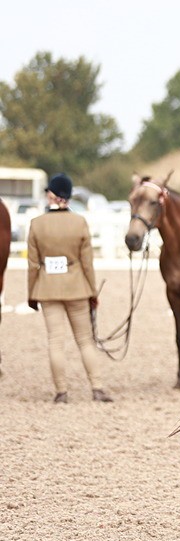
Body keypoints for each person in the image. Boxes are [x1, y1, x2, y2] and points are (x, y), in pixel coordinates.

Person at [26, 173, 113, 403]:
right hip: (76, 287)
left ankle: (61, 392)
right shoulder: (79, 222)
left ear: (53, 195)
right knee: (85, 340)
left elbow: (33, 264)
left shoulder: (36, 224)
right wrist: (92, 292)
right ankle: (97, 387)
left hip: (47, 289)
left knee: (55, 340)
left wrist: (31, 293)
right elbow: (87, 263)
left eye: (48, 192)